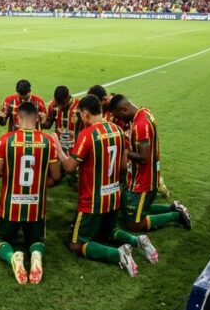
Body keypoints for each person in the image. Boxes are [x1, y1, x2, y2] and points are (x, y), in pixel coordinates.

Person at [50, 95, 155, 276]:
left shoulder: (87, 135)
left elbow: (69, 167)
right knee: (108, 231)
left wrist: (57, 145)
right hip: (113, 197)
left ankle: (118, 254)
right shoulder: (117, 130)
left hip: (92, 200)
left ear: (85, 114)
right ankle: (138, 241)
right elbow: (123, 167)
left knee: (76, 244)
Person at [0, 102, 62, 285]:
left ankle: (12, 256)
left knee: (0, 239)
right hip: (36, 206)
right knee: (36, 240)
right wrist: (39, 185)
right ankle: (36, 254)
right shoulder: (48, 141)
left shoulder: (6, 140)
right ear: (38, 118)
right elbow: (56, 175)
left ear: (17, 118)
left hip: (10, 206)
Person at [109, 95, 192, 233]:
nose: (120, 120)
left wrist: (124, 151)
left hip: (144, 181)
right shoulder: (144, 112)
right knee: (130, 210)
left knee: (132, 225)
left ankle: (177, 216)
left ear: (123, 109)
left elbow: (143, 157)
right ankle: (173, 207)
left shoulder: (141, 125)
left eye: (118, 116)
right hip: (140, 176)